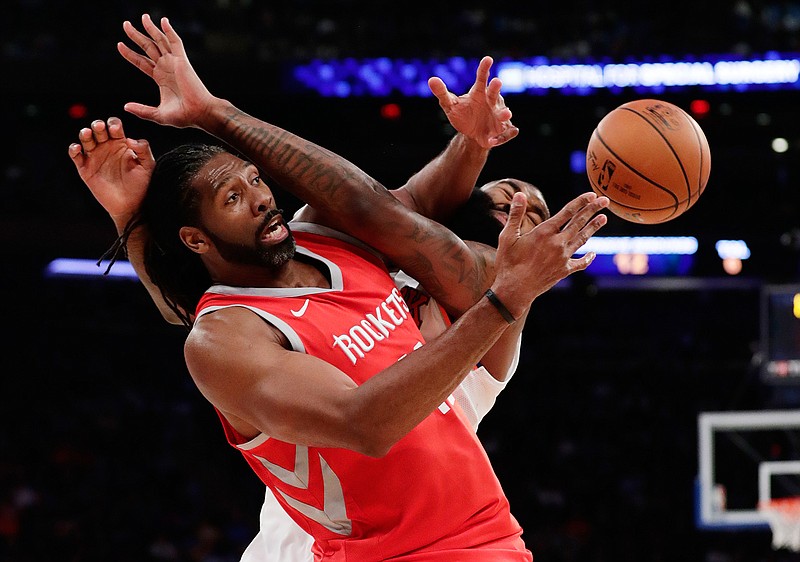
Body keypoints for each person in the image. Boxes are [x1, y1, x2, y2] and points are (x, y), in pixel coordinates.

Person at [78, 13, 608, 560]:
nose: (263, 197)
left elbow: (386, 211)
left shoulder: (466, 287)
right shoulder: (308, 267)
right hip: (314, 541)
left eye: (256, 181)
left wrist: (138, 217)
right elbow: (377, 210)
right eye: (504, 200)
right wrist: (472, 148)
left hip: (463, 533)